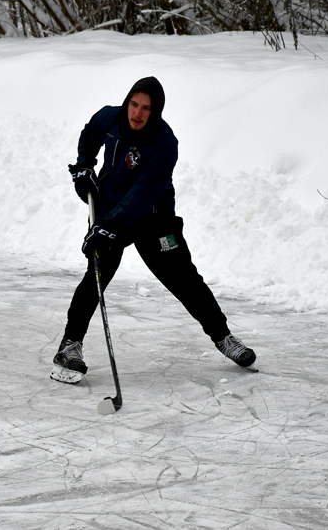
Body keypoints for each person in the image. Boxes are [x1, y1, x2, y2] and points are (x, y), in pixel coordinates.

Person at [50, 76, 257, 384]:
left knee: (184, 279)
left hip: (152, 217)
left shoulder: (163, 143)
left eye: (146, 108)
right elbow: (90, 133)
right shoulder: (111, 117)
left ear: (155, 110)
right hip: (109, 208)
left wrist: (108, 227)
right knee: (97, 274)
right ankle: (69, 347)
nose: (137, 113)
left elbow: (144, 194)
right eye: (134, 104)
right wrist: (83, 165)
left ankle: (224, 338)